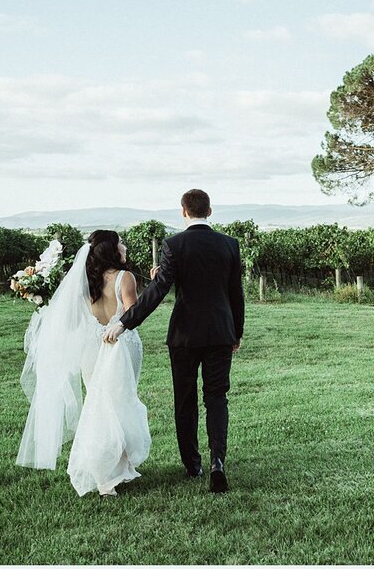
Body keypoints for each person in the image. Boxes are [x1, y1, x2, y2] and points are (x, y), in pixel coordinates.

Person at [103, 189, 244, 493]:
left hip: (184, 335)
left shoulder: (174, 245)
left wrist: (125, 322)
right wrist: (237, 332)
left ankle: (193, 465)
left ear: (183, 212)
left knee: (185, 399)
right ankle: (218, 461)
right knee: (217, 397)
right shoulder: (229, 245)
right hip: (221, 332)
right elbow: (236, 294)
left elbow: (156, 293)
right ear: (210, 211)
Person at [16, 231, 151, 497]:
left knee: (98, 404)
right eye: (120, 242)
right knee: (121, 403)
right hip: (120, 346)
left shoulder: (82, 281)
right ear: (112, 249)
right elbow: (135, 315)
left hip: (90, 347)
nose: (124, 246)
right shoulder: (125, 278)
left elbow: (71, 319)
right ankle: (110, 471)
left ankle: (110, 470)